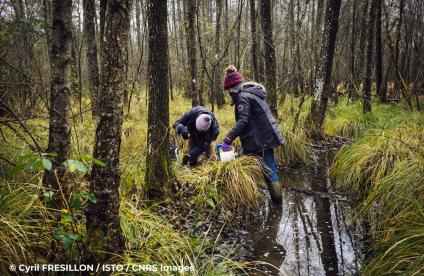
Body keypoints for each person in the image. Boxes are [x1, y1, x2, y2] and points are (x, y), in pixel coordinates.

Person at [220, 65, 284, 203]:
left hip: (261, 140)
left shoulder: (242, 97)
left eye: (229, 91)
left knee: (269, 170)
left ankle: (277, 202)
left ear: (232, 88)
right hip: (262, 138)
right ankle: (261, 198)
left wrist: (228, 139)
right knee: (263, 168)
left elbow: (243, 121)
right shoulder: (249, 94)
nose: (229, 94)